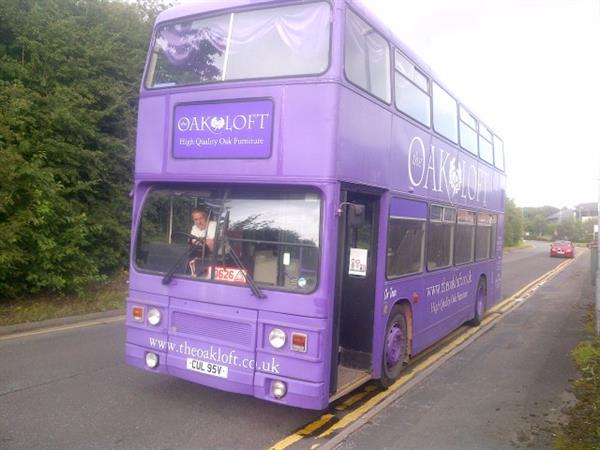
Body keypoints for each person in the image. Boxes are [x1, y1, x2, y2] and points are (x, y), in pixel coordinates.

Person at [188, 209, 216, 276]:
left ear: (206, 218)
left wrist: (199, 241)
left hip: (218, 258)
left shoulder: (214, 225)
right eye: (196, 219)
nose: (199, 222)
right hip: (201, 257)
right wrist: (204, 241)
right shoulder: (194, 227)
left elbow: (211, 245)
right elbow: (193, 243)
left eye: (201, 218)